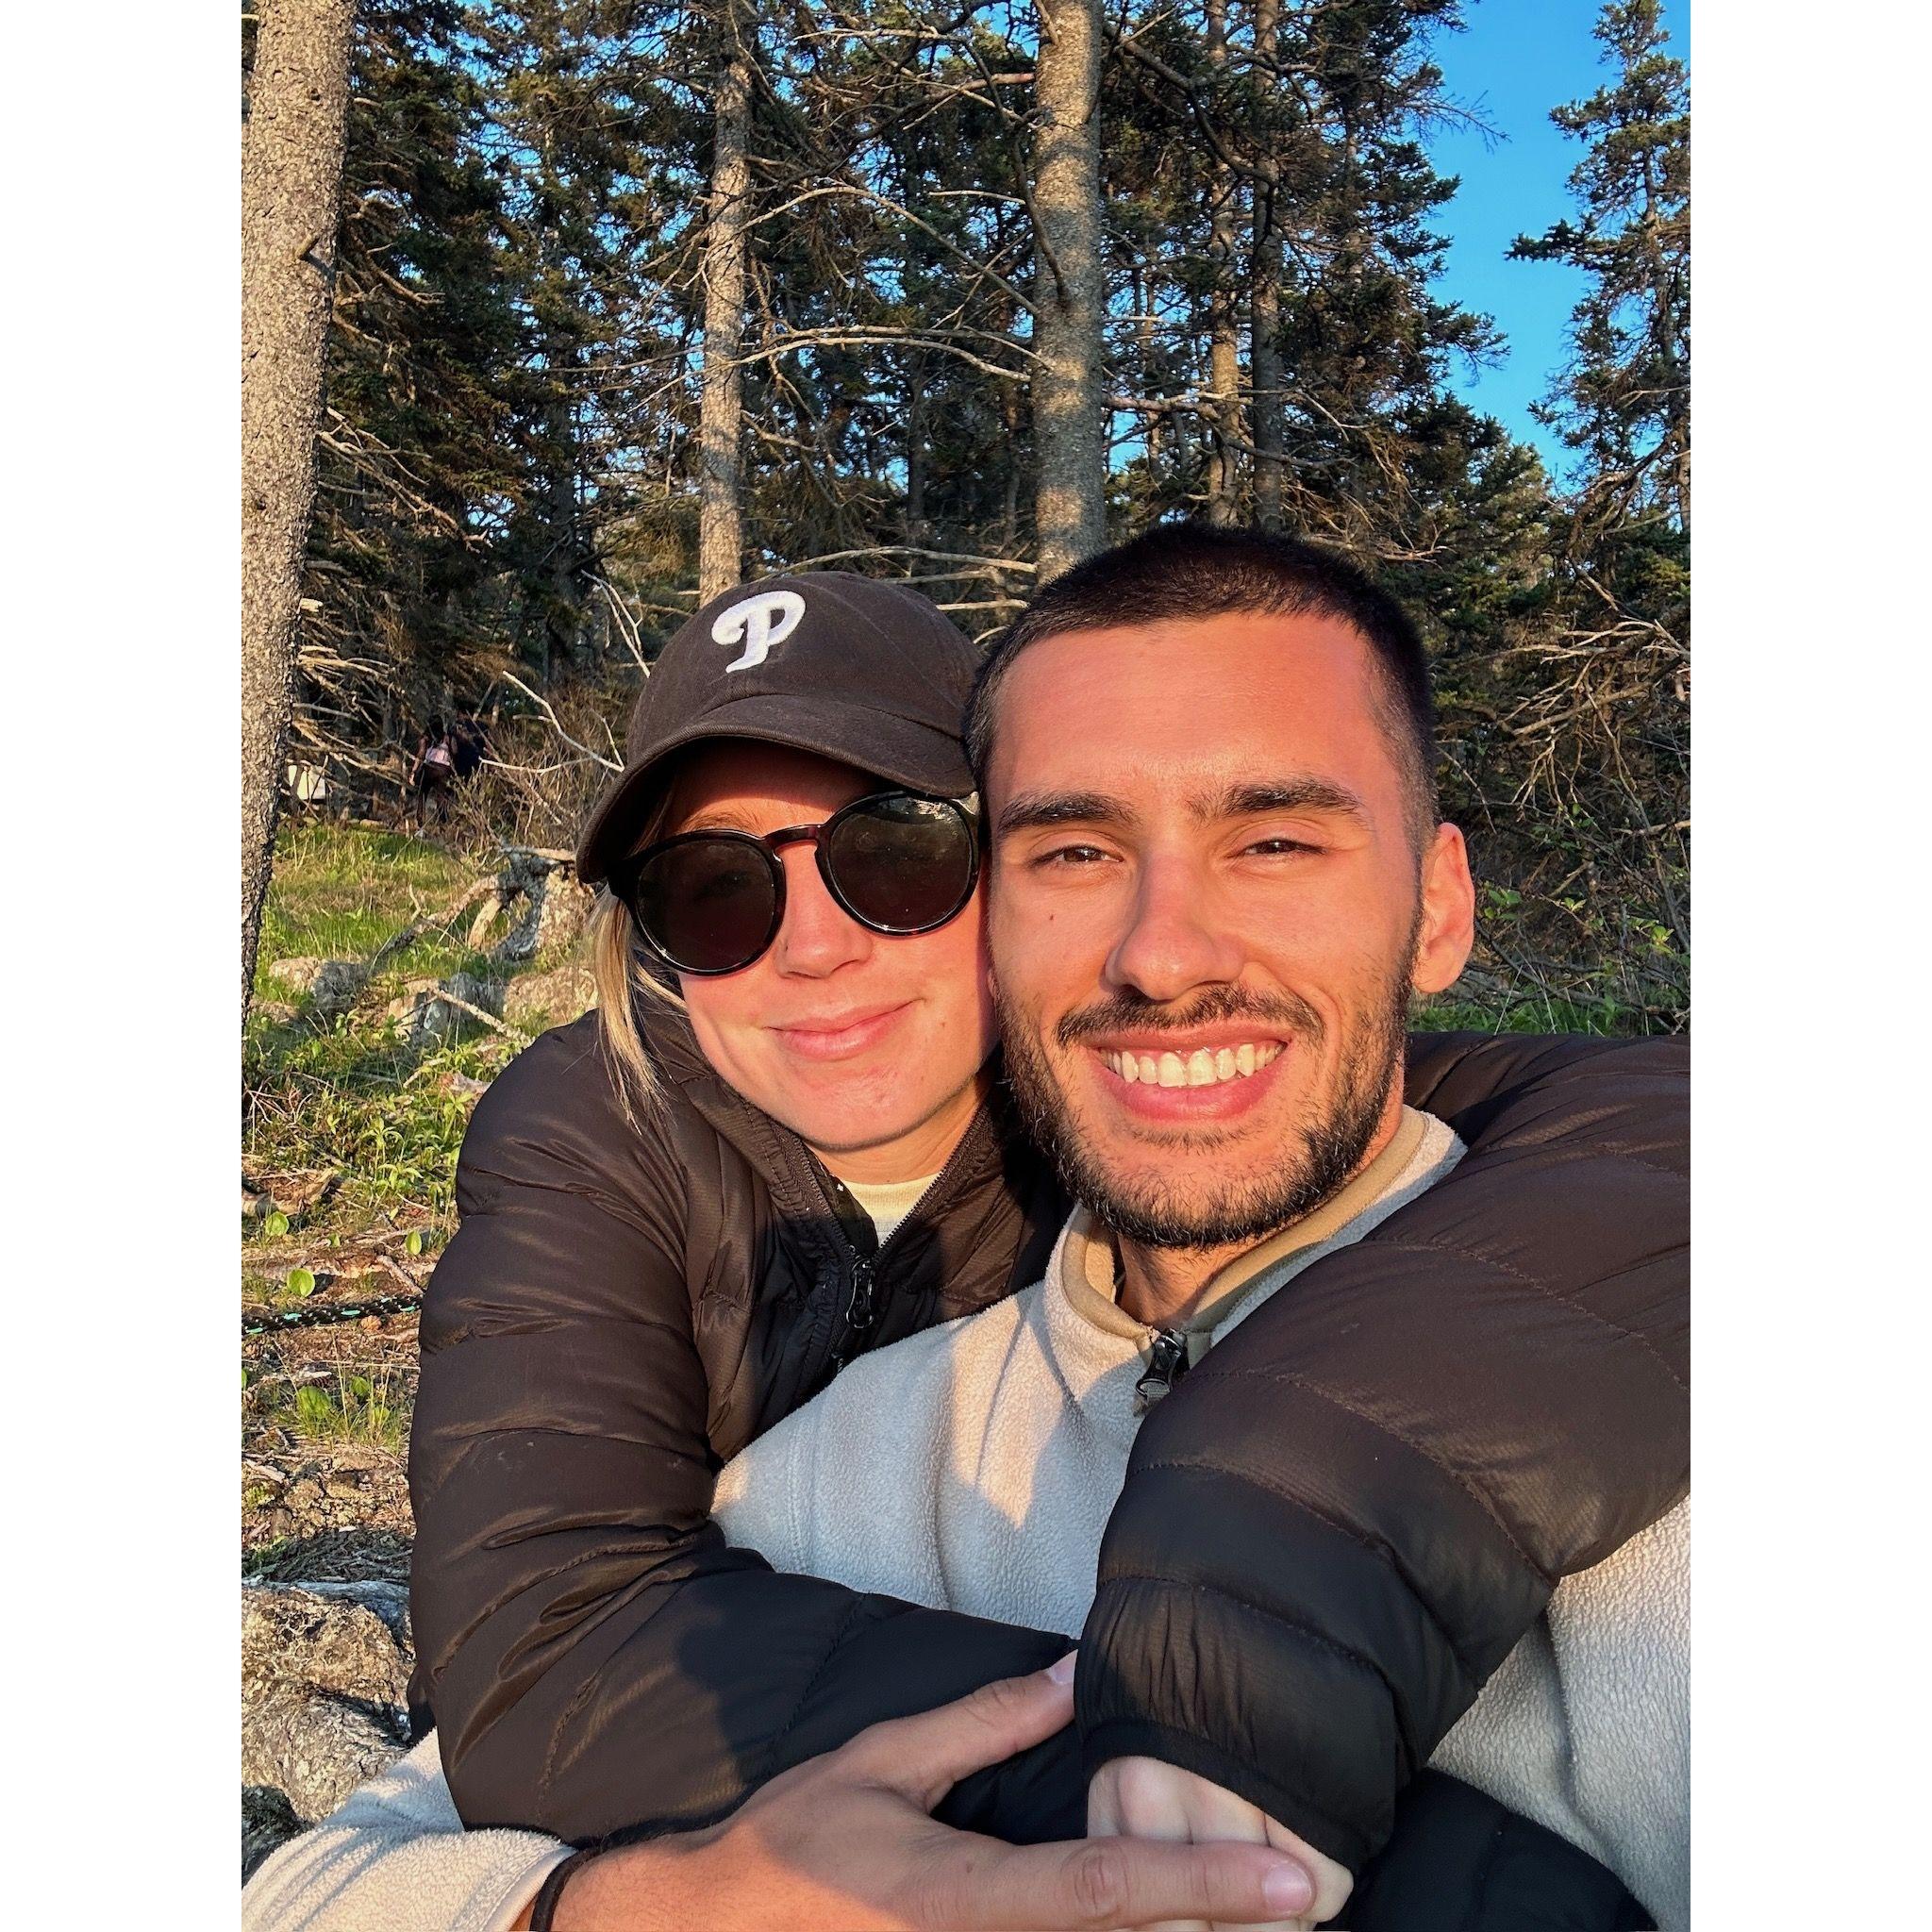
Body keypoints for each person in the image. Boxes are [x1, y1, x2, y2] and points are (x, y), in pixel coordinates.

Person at [248, 558, 1687, 1928]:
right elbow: (512, 1682)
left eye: (897, 854)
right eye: (713, 889)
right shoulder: (664, 1235)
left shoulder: (1639, 1410)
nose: (1164, 955)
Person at [408, 718, 458, 825]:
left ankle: (420, 821)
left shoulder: (426, 738)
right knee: (441, 796)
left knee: (423, 794)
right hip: (444, 770)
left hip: (429, 768)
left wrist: (414, 771)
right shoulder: (448, 738)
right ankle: (443, 821)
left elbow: (420, 755)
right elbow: (455, 752)